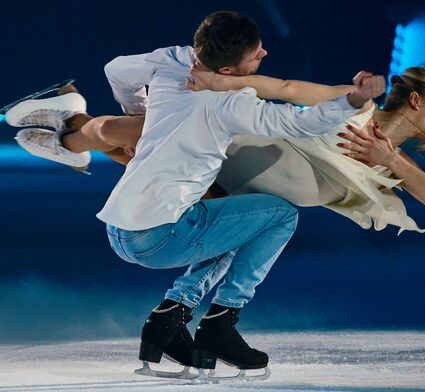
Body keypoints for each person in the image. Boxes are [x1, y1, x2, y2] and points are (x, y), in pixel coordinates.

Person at [6, 10, 386, 377]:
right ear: (226, 70)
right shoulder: (231, 104)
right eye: (256, 54)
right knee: (280, 215)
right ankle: (222, 321)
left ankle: (168, 322)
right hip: (157, 238)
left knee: (235, 216)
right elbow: (298, 122)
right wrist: (350, 102)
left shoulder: (176, 61)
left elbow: (115, 69)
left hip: (119, 231)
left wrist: (140, 109)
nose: (264, 54)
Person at [10, 66, 425, 233]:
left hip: (226, 190)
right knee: (141, 135)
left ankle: (68, 128)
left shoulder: (385, 165)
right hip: (231, 145)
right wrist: (223, 79)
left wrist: (392, 161)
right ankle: (69, 125)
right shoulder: (354, 108)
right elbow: (287, 88)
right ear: (415, 100)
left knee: (135, 149)